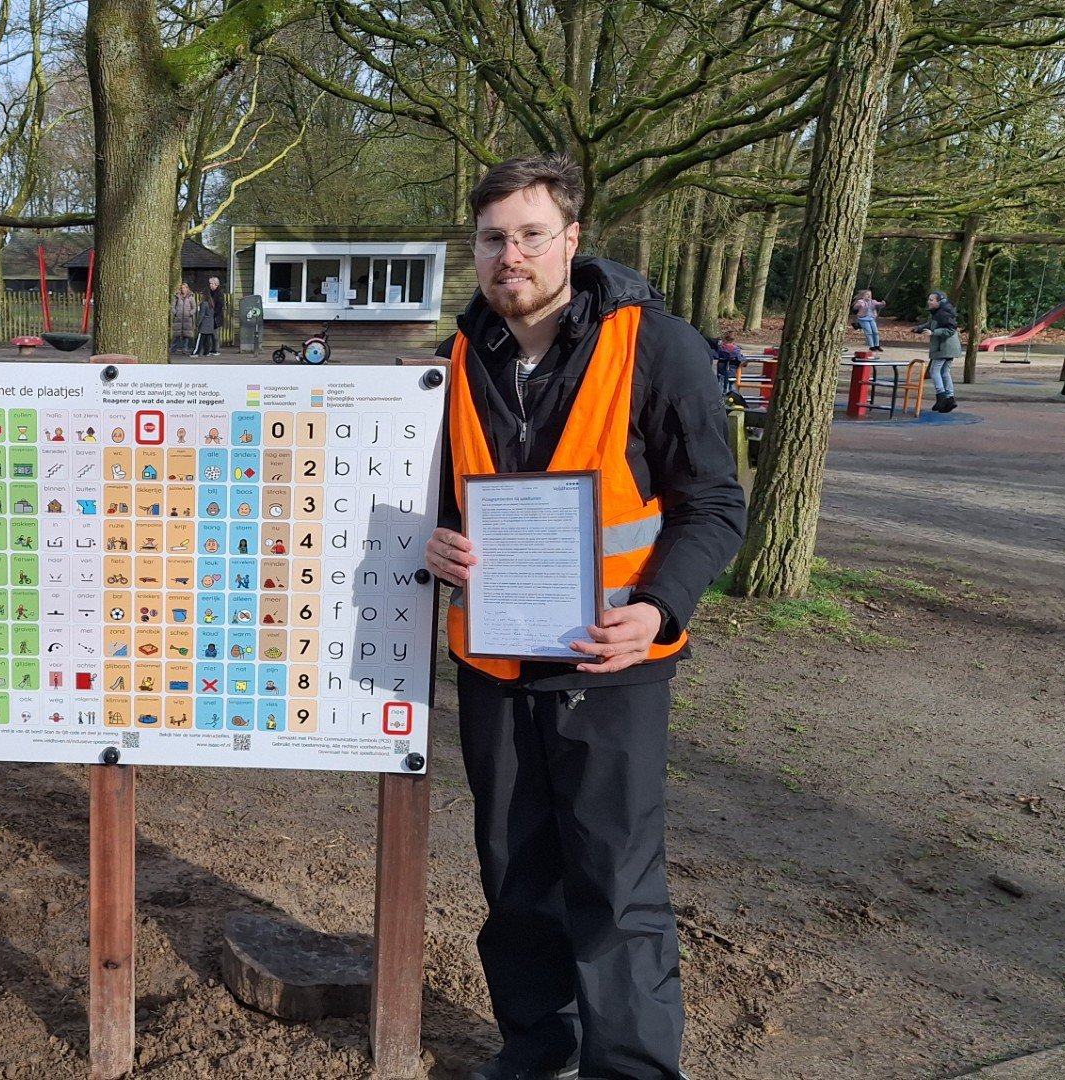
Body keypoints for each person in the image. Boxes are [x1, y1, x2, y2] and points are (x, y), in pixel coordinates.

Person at [424, 154, 744, 1080]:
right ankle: (538, 1048)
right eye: (492, 238)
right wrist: (436, 539)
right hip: (493, 668)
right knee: (515, 882)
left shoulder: (656, 346)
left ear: (570, 239)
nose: (509, 255)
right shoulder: (456, 360)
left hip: (615, 664)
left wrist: (659, 609)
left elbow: (715, 504)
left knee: (616, 887)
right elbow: (438, 499)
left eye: (529, 235)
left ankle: (633, 1069)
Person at [912, 291, 963, 413]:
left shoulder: (943, 313)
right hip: (949, 347)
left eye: (931, 300)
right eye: (929, 299)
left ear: (939, 302)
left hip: (944, 347)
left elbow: (950, 330)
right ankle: (949, 398)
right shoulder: (940, 312)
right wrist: (919, 328)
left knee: (934, 370)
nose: (929, 302)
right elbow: (931, 324)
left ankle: (942, 396)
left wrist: (934, 333)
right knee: (945, 371)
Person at [170, 282, 197, 355]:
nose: (183, 289)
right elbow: (172, 306)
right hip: (178, 319)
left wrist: (190, 313)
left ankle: (185, 349)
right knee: (176, 335)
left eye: (184, 288)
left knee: (186, 335)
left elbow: (194, 308)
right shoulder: (177, 296)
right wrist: (175, 312)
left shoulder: (191, 297)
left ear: (187, 288)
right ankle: (173, 349)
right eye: (182, 288)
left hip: (187, 319)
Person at [193, 292, 219, 356]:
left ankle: (196, 352)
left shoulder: (204, 304)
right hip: (210, 324)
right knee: (207, 339)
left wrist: (197, 323)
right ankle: (206, 352)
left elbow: (201, 315)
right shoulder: (211, 304)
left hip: (204, 325)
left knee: (200, 339)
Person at [205, 275, 226, 353]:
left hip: (216, 316)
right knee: (210, 333)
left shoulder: (219, 293)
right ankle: (211, 348)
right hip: (210, 315)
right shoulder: (209, 292)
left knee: (214, 334)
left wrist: (213, 314)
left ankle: (215, 349)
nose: (210, 285)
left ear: (216, 284)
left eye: (212, 284)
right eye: (210, 283)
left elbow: (219, 305)